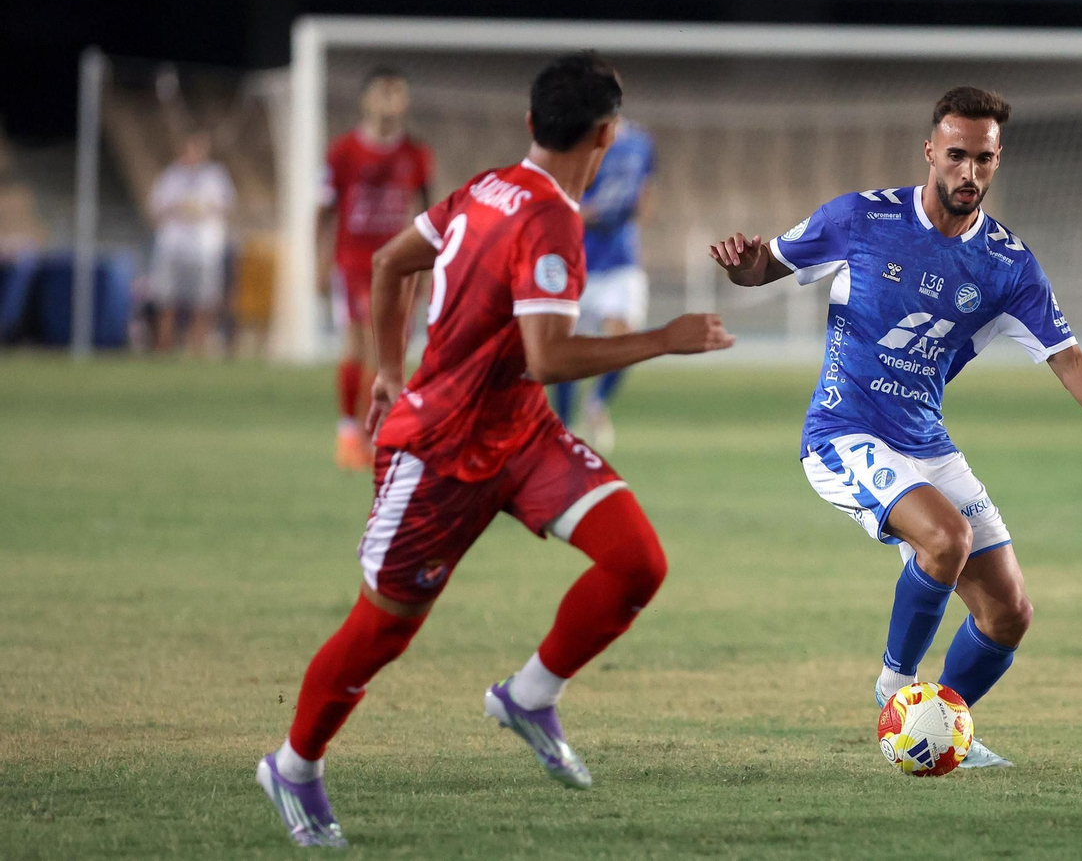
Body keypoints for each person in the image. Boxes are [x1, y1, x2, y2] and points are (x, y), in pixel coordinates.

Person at [257, 51, 734, 847]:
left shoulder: (485, 185)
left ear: (530, 123)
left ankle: (530, 695)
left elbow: (389, 263)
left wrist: (384, 370)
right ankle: (294, 766)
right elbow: (548, 357)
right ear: (608, 135)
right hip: (440, 451)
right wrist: (664, 338)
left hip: (521, 433)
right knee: (385, 628)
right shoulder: (550, 220)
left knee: (636, 562)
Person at [710, 86, 1082, 770]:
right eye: (956, 156)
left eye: (983, 160)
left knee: (1009, 613)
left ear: (997, 159)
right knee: (946, 538)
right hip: (843, 433)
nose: (969, 173)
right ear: (930, 151)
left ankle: (936, 729)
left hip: (926, 442)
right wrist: (742, 265)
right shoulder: (859, 219)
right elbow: (765, 267)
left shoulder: (1008, 265)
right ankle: (896, 689)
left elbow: (1067, 358)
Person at [320, 67, 433, 470]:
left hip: (399, 264)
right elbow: (325, 210)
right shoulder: (343, 151)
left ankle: (375, 435)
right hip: (354, 261)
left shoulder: (416, 154)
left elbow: (426, 215)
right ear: (367, 99)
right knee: (361, 341)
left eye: (397, 94)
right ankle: (349, 432)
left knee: (394, 349)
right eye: (383, 94)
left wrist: (426, 271)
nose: (390, 102)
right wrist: (320, 262)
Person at [551, 118, 655, 451]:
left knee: (626, 341)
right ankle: (563, 429)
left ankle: (596, 402)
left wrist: (629, 213)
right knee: (564, 354)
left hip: (621, 260)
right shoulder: (573, 141)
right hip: (578, 260)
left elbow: (644, 192)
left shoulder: (640, 143)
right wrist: (586, 214)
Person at [147, 131, 234, 353]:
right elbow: (156, 209)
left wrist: (204, 208)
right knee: (167, 300)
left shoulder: (215, 176)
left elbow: (227, 205)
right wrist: (179, 207)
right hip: (173, 246)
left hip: (204, 248)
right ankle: (163, 345)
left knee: (203, 301)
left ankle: (197, 347)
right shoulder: (170, 176)